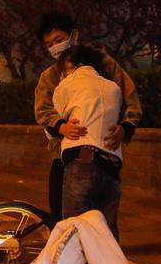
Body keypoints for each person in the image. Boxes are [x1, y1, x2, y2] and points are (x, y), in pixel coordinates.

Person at [34, 11, 141, 232]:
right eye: (48, 44)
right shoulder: (50, 77)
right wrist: (61, 126)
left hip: (104, 153)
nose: (54, 47)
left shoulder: (105, 64)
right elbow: (43, 110)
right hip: (64, 156)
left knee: (101, 222)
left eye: (58, 40)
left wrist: (125, 127)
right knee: (63, 219)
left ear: (74, 35)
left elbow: (130, 97)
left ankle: (93, 263)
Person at [53, 45, 124, 234]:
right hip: (111, 166)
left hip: (82, 161)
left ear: (73, 65)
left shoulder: (67, 85)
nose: (64, 75)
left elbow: (55, 118)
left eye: (65, 70)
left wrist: (62, 126)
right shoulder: (114, 88)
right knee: (106, 235)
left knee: (74, 232)